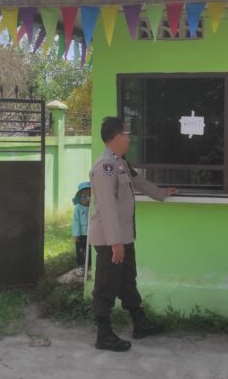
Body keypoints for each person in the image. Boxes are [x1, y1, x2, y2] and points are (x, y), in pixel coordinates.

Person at [89, 117, 177, 352]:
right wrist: (115, 243)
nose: (130, 138)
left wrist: (161, 193)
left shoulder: (120, 162)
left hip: (124, 236)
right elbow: (107, 208)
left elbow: (137, 181)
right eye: (127, 134)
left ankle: (140, 323)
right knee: (106, 285)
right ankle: (103, 334)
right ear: (116, 137)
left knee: (127, 282)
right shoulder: (105, 166)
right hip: (111, 240)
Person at [71, 182, 91, 276]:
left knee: (91, 251)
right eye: (84, 195)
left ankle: (90, 266)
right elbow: (76, 222)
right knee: (80, 251)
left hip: (92, 234)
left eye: (89, 195)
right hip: (81, 235)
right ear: (80, 196)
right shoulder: (78, 208)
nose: (87, 197)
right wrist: (76, 235)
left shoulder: (93, 207)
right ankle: (80, 267)